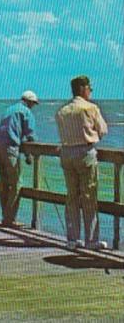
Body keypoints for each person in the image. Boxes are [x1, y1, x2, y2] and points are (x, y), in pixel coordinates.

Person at [56, 76, 108, 250]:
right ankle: (91, 240)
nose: (91, 91)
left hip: (66, 153)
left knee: (71, 196)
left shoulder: (62, 111)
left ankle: (72, 239)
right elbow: (103, 130)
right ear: (82, 88)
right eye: (89, 88)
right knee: (89, 197)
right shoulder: (90, 107)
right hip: (84, 152)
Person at [0, 90, 39, 228]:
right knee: (16, 184)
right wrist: (31, 154)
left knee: (3, 183)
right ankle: (10, 218)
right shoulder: (26, 112)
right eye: (33, 104)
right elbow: (30, 134)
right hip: (10, 148)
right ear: (29, 102)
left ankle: (5, 215)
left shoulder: (9, 109)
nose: (33, 106)